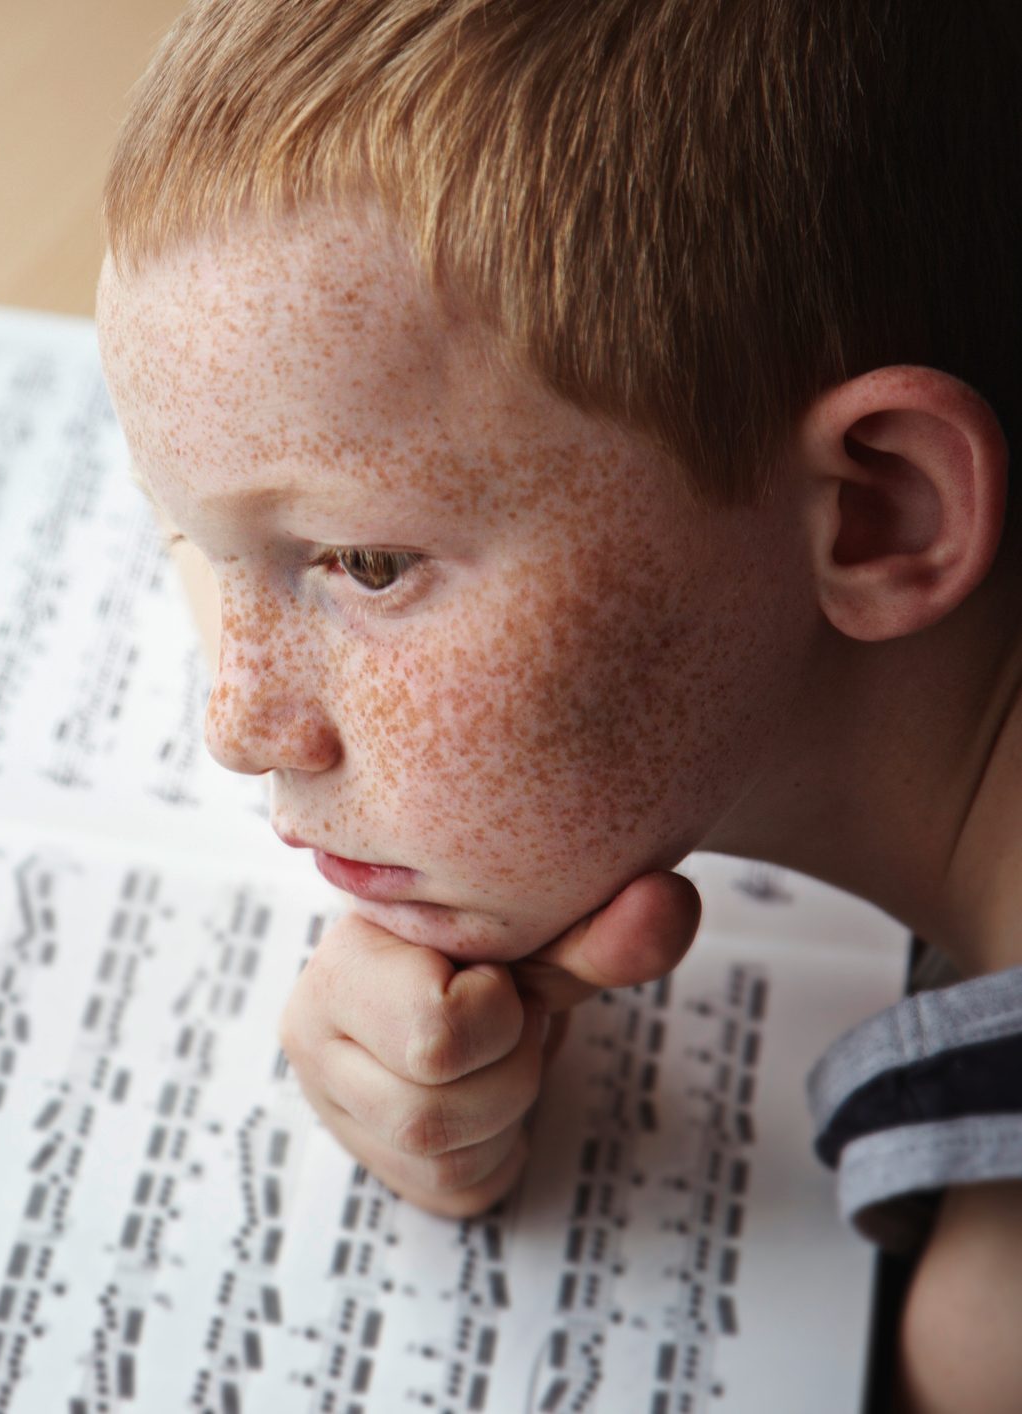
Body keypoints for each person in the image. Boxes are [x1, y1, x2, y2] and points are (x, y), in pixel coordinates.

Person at [92, 3, 1022, 1410]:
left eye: (365, 565)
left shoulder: (990, 1327)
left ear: (879, 512)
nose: (238, 722)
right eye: (192, 538)